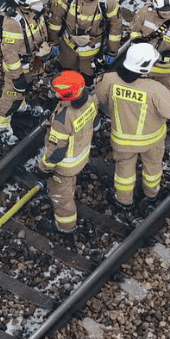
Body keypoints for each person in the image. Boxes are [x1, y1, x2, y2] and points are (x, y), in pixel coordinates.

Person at [93, 42, 170, 210]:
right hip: (152, 139)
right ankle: (152, 194)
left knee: (124, 171)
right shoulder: (155, 89)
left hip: (123, 140)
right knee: (152, 167)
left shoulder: (110, 80)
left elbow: (98, 96)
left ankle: (124, 200)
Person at [31, 69, 98, 235]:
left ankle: (65, 226)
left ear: (67, 96)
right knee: (67, 186)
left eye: (57, 92)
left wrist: (44, 167)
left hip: (64, 167)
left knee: (61, 196)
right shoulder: (89, 100)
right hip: (81, 153)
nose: (54, 93)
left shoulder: (63, 120)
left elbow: (57, 152)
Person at [0, 0, 51, 146]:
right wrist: (17, 77)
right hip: (18, 68)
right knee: (10, 98)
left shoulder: (35, 14)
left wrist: (44, 49)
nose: (41, 4)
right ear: (25, 4)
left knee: (23, 91)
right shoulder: (12, 23)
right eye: (38, 2)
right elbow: (9, 55)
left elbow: (40, 34)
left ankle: (21, 105)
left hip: (31, 64)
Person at [47, 0, 121, 77]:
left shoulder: (109, 1)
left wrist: (112, 51)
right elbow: (55, 21)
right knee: (66, 72)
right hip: (68, 47)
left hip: (93, 51)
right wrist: (54, 41)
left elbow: (115, 27)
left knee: (87, 77)